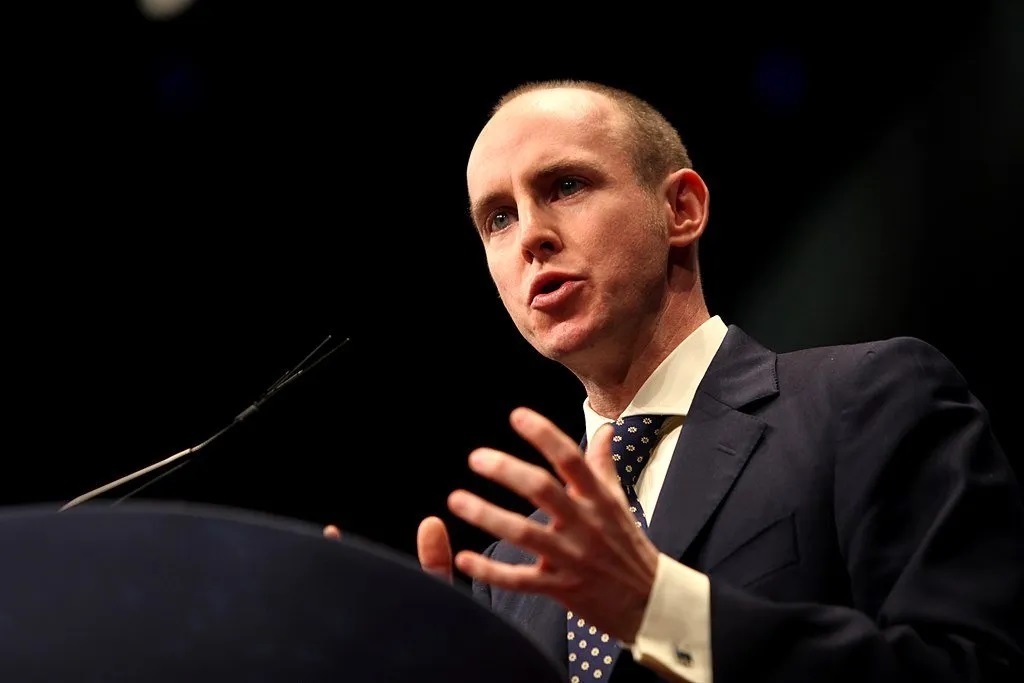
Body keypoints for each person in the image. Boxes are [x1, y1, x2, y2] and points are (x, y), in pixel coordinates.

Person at [326, 79, 1024, 682]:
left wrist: (661, 611)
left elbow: (969, 665)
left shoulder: (867, 401)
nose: (531, 236)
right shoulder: (517, 567)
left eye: (565, 186)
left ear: (681, 209)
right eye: (498, 218)